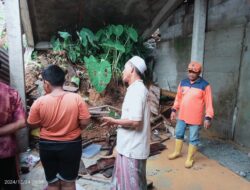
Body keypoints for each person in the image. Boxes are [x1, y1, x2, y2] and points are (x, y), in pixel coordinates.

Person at [27, 65, 90, 190]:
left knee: (52, 184)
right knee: (69, 183)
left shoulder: (39, 102)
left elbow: (31, 124)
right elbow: (85, 122)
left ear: (46, 83)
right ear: (63, 81)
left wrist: (44, 123)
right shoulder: (76, 98)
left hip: (47, 146)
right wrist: (74, 127)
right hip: (71, 145)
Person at [103, 56, 150, 190]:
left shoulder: (137, 90)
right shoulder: (136, 89)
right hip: (129, 147)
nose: (122, 71)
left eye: (125, 68)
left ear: (132, 70)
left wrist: (114, 121)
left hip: (132, 148)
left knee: (133, 185)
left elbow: (135, 122)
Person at [168, 61, 214, 168]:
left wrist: (208, 117)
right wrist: (174, 110)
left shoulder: (205, 85)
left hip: (195, 117)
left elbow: (209, 103)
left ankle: (190, 159)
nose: (191, 74)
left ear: (199, 73)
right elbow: (178, 98)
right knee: (179, 133)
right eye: (190, 71)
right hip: (182, 115)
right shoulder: (183, 82)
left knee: (193, 138)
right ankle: (177, 152)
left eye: (194, 72)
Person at [0, 81, 26, 190]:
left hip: (6, 152)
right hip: (6, 151)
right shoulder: (10, 92)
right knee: (10, 183)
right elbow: (21, 122)